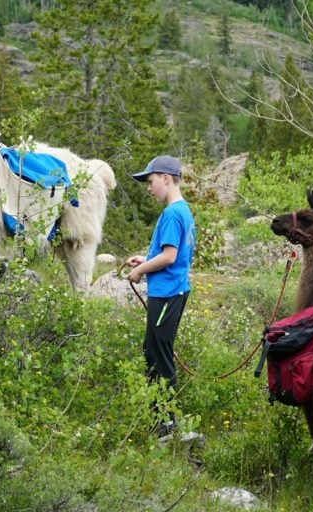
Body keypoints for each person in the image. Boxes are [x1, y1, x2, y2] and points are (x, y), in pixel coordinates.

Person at [126, 155, 196, 437]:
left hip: (166, 293)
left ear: (166, 179)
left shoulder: (171, 214)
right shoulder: (183, 210)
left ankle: (166, 425)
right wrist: (146, 259)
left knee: (158, 356)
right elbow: (173, 256)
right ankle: (163, 422)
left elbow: (169, 256)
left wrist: (140, 270)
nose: (149, 188)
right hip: (173, 290)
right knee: (154, 350)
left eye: (151, 181)